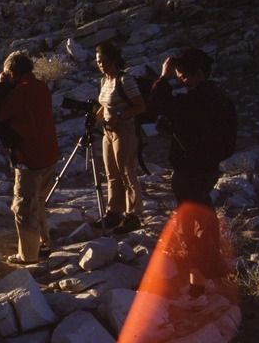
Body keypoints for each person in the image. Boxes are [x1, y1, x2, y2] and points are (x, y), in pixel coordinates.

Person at [0, 50, 60, 265]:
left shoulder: (19, 93)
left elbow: (1, 113)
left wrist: (1, 87)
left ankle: (28, 255)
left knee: (23, 207)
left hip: (29, 158)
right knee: (39, 202)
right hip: (49, 154)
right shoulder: (41, 87)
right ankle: (44, 242)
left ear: (12, 73)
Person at [149, 48, 237, 207]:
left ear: (198, 74)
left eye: (183, 76)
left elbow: (159, 104)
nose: (181, 81)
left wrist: (163, 76)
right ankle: (212, 233)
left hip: (192, 168)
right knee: (202, 207)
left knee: (191, 211)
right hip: (210, 165)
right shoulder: (219, 96)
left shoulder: (195, 101)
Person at [92, 42, 146, 234]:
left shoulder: (125, 80)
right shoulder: (104, 81)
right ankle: (114, 211)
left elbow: (140, 106)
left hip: (124, 130)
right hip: (108, 131)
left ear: (113, 60)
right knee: (111, 174)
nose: (101, 64)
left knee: (126, 171)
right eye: (98, 61)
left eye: (103, 61)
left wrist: (121, 116)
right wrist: (95, 117)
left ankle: (133, 214)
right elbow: (104, 105)